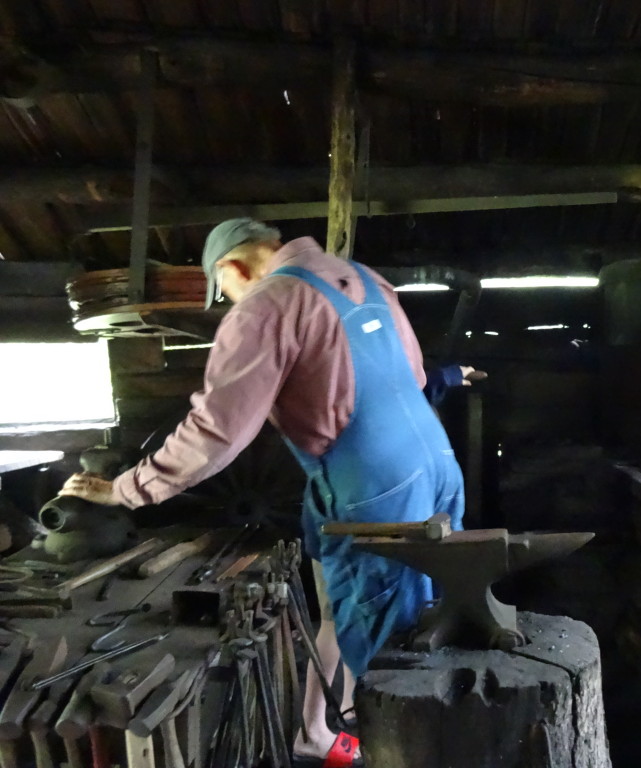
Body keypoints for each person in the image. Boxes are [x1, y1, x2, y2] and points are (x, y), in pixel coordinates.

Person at [59, 218, 475, 768]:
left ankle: (386, 750)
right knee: (398, 608)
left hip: (371, 484)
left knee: (381, 633)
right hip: (435, 463)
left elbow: (217, 431)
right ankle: (316, 733)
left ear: (231, 268)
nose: (230, 299)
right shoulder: (366, 279)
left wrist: (127, 489)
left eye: (223, 291)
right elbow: (416, 377)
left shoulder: (266, 302)